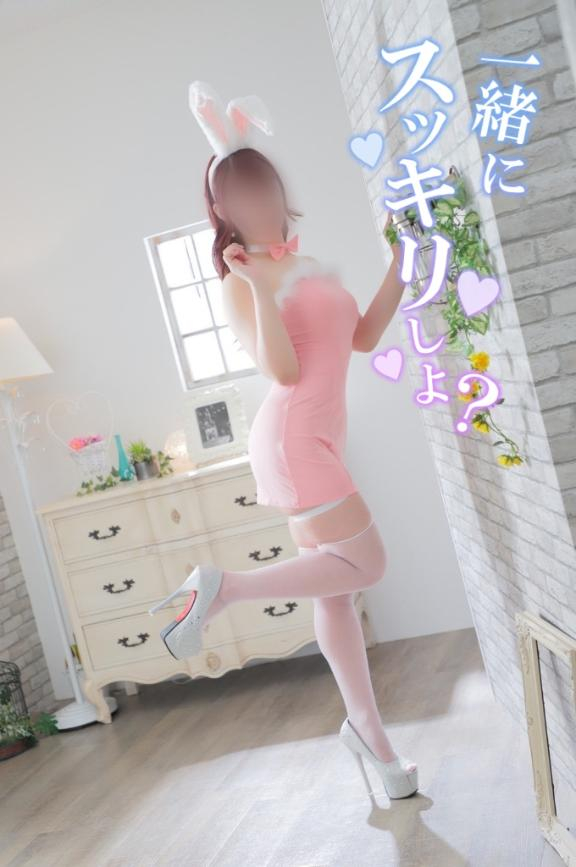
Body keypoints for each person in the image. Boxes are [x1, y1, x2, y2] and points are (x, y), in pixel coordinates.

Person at [149, 81, 417, 800]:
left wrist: (403, 261)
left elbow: (362, 337)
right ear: (223, 211)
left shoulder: (306, 262)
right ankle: (223, 589)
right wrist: (262, 289)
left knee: (337, 593)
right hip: (294, 438)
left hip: (320, 435)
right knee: (369, 563)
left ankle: (370, 735)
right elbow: (285, 371)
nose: (260, 200)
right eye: (241, 195)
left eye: (264, 184)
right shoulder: (242, 280)